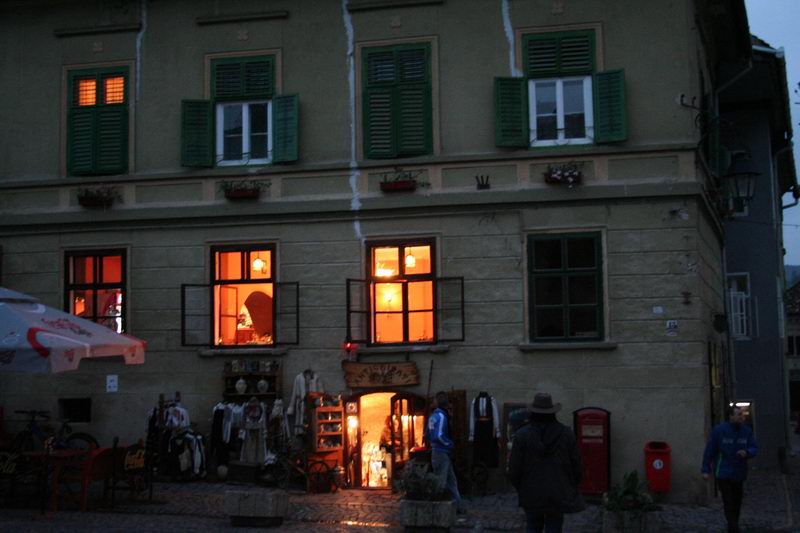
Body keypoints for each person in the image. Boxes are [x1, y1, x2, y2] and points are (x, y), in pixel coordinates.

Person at [508, 393, 584, 533]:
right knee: (554, 526)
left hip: (531, 490)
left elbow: (514, 469)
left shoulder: (522, 435)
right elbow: (577, 466)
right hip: (558, 491)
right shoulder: (566, 434)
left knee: (532, 526)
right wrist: (569, 485)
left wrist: (522, 487)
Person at [702, 405, 758, 533]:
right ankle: (733, 527)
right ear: (731, 416)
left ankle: (734, 523)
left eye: (741, 415)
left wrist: (747, 452)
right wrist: (705, 469)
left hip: (739, 472)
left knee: (737, 500)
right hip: (723, 471)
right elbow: (710, 450)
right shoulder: (720, 430)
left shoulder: (746, 431)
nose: (741, 417)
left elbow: (754, 447)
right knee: (728, 500)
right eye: (738, 414)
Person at [427, 391, 462, 511]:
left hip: (436, 451)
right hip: (441, 451)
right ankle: (437, 509)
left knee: (450, 480)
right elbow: (439, 435)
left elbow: (428, 434)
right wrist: (450, 444)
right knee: (441, 482)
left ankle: (457, 506)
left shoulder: (433, 416)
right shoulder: (441, 416)